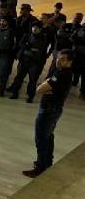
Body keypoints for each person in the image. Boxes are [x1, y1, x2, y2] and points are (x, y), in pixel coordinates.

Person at [23, 50, 74, 178]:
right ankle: (47, 163)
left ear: (69, 61)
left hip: (49, 110)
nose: (58, 61)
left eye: (62, 59)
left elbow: (40, 89)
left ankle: (40, 167)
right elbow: (44, 87)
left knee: (41, 139)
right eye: (58, 58)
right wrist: (47, 87)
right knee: (48, 137)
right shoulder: (60, 71)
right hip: (53, 109)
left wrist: (46, 86)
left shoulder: (62, 74)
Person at [8, 22, 50, 102]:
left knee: (32, 80)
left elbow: (40, 48)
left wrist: (28, 46)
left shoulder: (43, 38)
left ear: (40, 29)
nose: (34, 29)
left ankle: (30, 97)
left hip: (34, 62)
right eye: (33, 27)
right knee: (19, 78)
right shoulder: (27, 35)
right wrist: (30, 47)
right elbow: (21, 44)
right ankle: (15, 93)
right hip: (24, 59)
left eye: (37, 28)